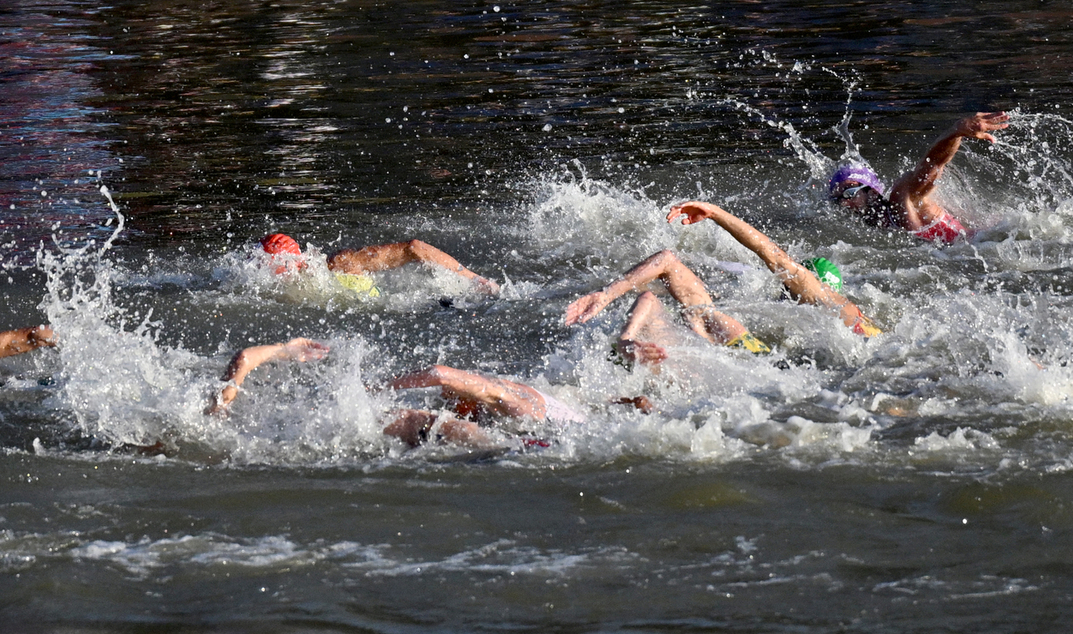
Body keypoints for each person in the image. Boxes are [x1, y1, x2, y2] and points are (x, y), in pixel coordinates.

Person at [565, 216, 878, 365]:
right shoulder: (858, 322)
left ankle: (626, 344)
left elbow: (666, 262)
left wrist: (606, 297)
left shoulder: (729, 324)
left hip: (745, 365)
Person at [205, 337, 594, 448]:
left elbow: (441, 374)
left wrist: (374, 387)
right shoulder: (510, 402)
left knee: (409, 420)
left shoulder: (518, 407)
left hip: (542, 440)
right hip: (540, 436)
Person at [828, 111, 1010, 244]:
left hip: (992, 244)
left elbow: (932, 166)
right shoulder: (875, 229)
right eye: (836, 200)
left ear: (873, 192)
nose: (843, 204)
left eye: (849, 193)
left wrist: (957, 131)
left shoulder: (901, 198)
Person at [258, 233, 501, 297]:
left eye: (269, 266)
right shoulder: (272, 291)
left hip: (429, 305)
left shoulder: (340, 264)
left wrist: (475, 280)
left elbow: (414, 248)